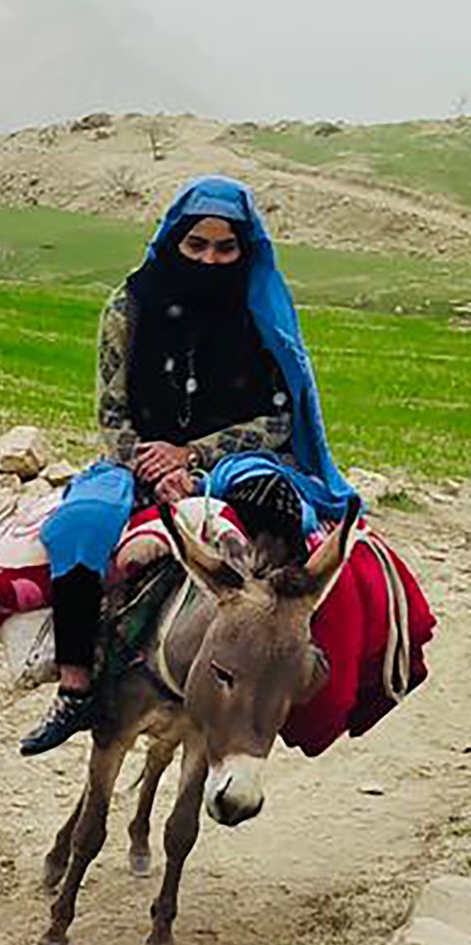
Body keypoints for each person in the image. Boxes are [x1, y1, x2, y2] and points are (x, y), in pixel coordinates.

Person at [20, 176, 358, 757]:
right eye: (196, 246)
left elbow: (279, 420)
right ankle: (76, 687)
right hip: (136, 460)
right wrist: (154, 466)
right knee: (80, 525)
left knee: (281, 514)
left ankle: (280, 667)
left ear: (244, 250)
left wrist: (194, 456)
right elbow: (111, 412)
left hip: (235, 460)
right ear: (173, 242)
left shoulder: (261, 314)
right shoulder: (129, 306)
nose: (210, 258)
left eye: (225, 249)